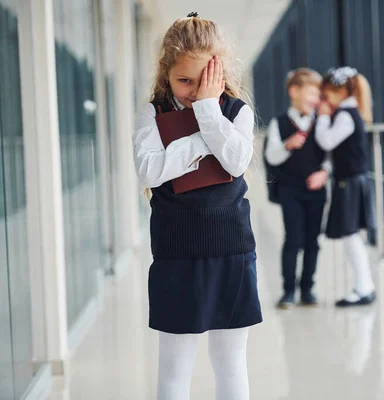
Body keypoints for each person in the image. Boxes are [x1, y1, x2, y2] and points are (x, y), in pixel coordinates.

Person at [132, 13, 261, 400]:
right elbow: (151, 170)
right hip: (176, 253)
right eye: (183, 80)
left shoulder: (237, 111)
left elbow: (236, 161)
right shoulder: (151, 115)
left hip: (232, 251)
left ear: (218, 71)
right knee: (175, 370)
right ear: (165, 72)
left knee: (230, 363)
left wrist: (206, 111)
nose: (191, 90)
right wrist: (206, 136)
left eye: (202, 79)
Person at [264, 68, 330, 309]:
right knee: (293, 239)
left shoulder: (322, 122)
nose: (316, 99)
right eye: (312, 93)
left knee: (312, 240)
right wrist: (287, 145)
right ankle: (288, 290)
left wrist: (324, 173)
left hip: (316, 191)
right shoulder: (279, 123)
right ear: (294, 91)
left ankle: (308, 289)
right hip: (290, 190)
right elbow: (271, 156)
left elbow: (330, 156)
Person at [315, 66, 376, 307]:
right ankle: (364, 286)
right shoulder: (353, 113)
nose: (325, 99)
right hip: (352, 180)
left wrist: (321, 116)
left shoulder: (345, 115)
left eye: (327, 93)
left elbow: (326, 140)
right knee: (352, 238)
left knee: (351, 238)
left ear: (339, 92)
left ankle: (364, 288)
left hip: (349, 182)